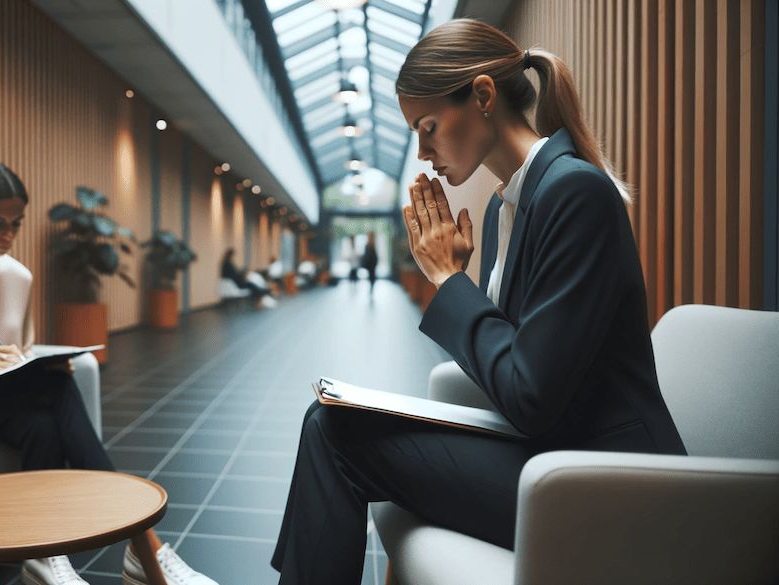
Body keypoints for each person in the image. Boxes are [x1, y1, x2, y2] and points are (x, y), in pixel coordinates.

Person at [271, 19, 686, 585]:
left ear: (484, 96)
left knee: (333, 434)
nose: (422, 153)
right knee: (332, 422)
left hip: (610, 480)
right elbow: (517, 367)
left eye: (429, 127)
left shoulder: (575, 192)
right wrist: (459, 281)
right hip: (548, 453)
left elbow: (530, 395)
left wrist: (449, 281)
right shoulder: (503, 208)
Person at [0, 161, 218, 585]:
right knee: (57, 388)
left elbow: (21, 353)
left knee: (41, 424)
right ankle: (145, 547)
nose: (8, 235)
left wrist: (20, 367)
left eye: (16, 224)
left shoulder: (17, 276)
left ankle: (44, 558)